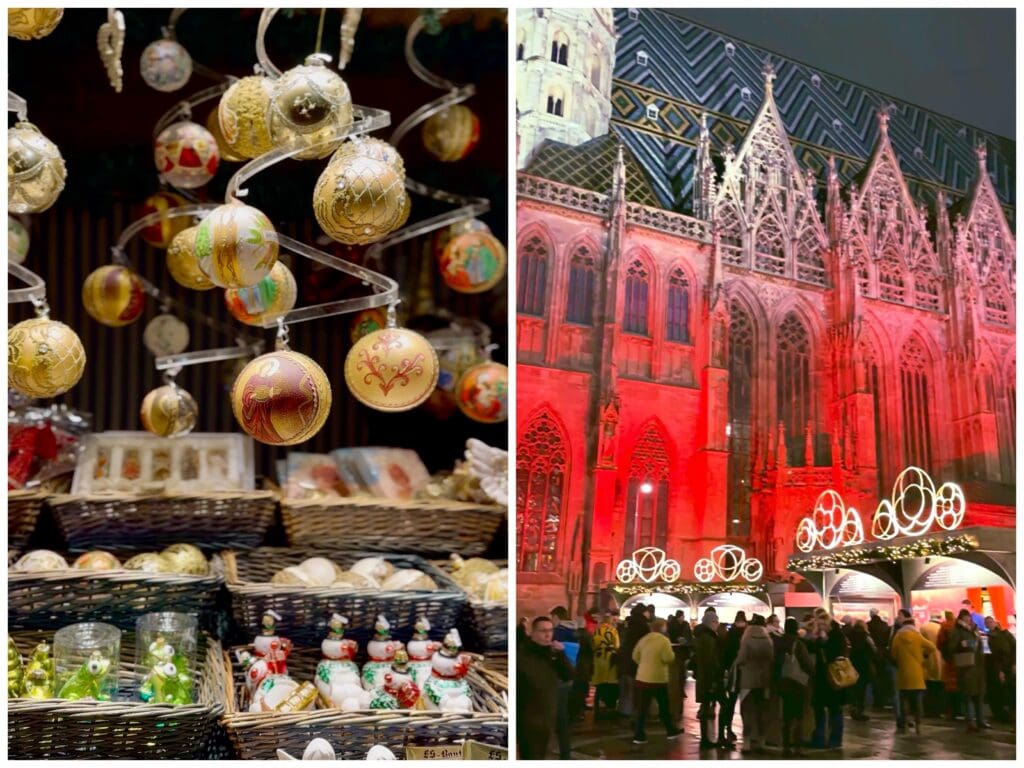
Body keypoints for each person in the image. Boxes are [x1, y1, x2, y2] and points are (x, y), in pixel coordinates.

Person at [518, 616, 574, 760]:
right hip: (529, 720)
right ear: (533, 633)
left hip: (549, 717)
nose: (548, 635)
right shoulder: (523, 656)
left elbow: (568, 675)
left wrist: (561, 655)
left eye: (550, 630)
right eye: (543, 631)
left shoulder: (552, 654)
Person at [631, 617, 682, 744]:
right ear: (662, 627)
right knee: (664, 706)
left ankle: (639, 735)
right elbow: (668, 658)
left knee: (642, 709)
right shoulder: (664, 641)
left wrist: (643, 664)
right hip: (658, 678)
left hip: (642, 678)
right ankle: (670, 731)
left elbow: (635, 656)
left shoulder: (644, 639)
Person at [774, 616, 813, 757]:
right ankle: (797, 747)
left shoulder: (778, 641)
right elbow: (806, 664)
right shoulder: (798, 644)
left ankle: (786, 747)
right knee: (799, 716)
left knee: (786, 717)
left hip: (783, 683)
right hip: (797, 684)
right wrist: (812, 674)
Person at [889, 616, 935, 735]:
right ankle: (919, 726)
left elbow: (893, 654)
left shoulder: (898, 637)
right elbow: (932, 647)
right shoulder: (917, 636)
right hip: (917, 674)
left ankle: (904, 726)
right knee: (918, 701)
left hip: (903, 673)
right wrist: (924, 656)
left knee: (904, 700)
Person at [810, 613, 849, 749]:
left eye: (823, 624)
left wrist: (823, 642)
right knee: (819, 709)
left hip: (834, 677)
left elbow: (833, 655)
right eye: (819, 624)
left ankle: (835, 739)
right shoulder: (820, 637)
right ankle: (819, 738)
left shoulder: (837, 636)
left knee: (835, 709)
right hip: (821, 678)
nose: (821, 627)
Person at [737, 614, 774, 754]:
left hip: (748, 680)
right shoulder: (768, 641)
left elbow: (741, 659)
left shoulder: (746, 640)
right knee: (761, 712)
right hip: (764, 680)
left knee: (747, 712)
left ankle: (746, 743)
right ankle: (761, 743)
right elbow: (771, 659)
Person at [948, 608, 989, 732]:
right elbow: (951, 647)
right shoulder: (957, 631)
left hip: (978, 666)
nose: (968, 619)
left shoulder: (974, 629)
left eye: (968, 617)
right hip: (966, 667)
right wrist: (962, 645)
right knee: (969, 695)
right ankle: (971, 722)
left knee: (979, 694)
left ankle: (980, 720)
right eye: (965, 617)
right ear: (960, 619)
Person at [717, 610, 747, 747]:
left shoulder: (730, 635)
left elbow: (725, 653)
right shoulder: (746, 634)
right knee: (744, 703)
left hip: (731, 673)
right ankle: (742, 730)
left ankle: (726, 730)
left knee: (730, 703)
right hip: (743, 672)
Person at [694, 611, 722, 750]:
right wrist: (715, 677)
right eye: (716, 622)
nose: (718, 625)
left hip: (702, 677)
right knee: (714, 705)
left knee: (705, 707)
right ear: (711, 622)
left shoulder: (700, 636)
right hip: (709, 677)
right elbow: (712, 661)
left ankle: (705, 737)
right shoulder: (709, 638)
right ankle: (710, 738)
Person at [617, 605, 649, 718]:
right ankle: (633, 713)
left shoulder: (627, 624)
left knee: (625, 687)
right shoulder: (643, 625)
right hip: (636, 659)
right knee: (635, 689)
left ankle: (624, 711)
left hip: (624, 658)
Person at [984, 616, 1015, 722]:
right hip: (1005, 666)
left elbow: (995, 656)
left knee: (1000, 691)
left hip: (1000, 667)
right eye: (987, 623)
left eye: (990, 622)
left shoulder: (993, 637)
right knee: (1007, 691)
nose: (989, 624)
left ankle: (1004, 714)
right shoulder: (1004, 634)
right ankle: (1008, 714)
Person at [591, 611, 620, 720]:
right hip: (610, 659)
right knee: (610, 683)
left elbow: (593, 645)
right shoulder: (613, 630)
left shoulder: (597, 630)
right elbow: (617, 645)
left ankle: (598, 704)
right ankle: (610, 705)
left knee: (599, 683)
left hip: (598, 658)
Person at [847, 619, 875, 721]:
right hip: (864, 665)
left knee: (854, 688)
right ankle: (860, 710)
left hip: (852, 664)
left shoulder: (849, 635)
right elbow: (873, 650)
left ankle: (853, 708)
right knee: (862, 689)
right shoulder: (866, 636)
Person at [937, 610, 961, 721]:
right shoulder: (959, 626)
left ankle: (951, 712)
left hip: (948, 661)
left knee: (949, 687)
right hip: (960, 661)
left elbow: (939, 643)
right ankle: (960, 710)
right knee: (960, 686)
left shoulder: (943, 627)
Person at [920, 613, 945, 717]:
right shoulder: (941, 628)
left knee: (928, 687)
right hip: (941, 660)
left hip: (927, 660)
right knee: (939, 687)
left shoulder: (923, 627)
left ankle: (928, 710)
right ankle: (938, 710)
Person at [867, 609, 892, 709]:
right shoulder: (885, 625)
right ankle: (883, 700)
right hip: (883, 654)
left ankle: (876, 702)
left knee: (874, 678)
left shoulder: (868, 625)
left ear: (870, 615)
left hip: (872, 655)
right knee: (883, 678)